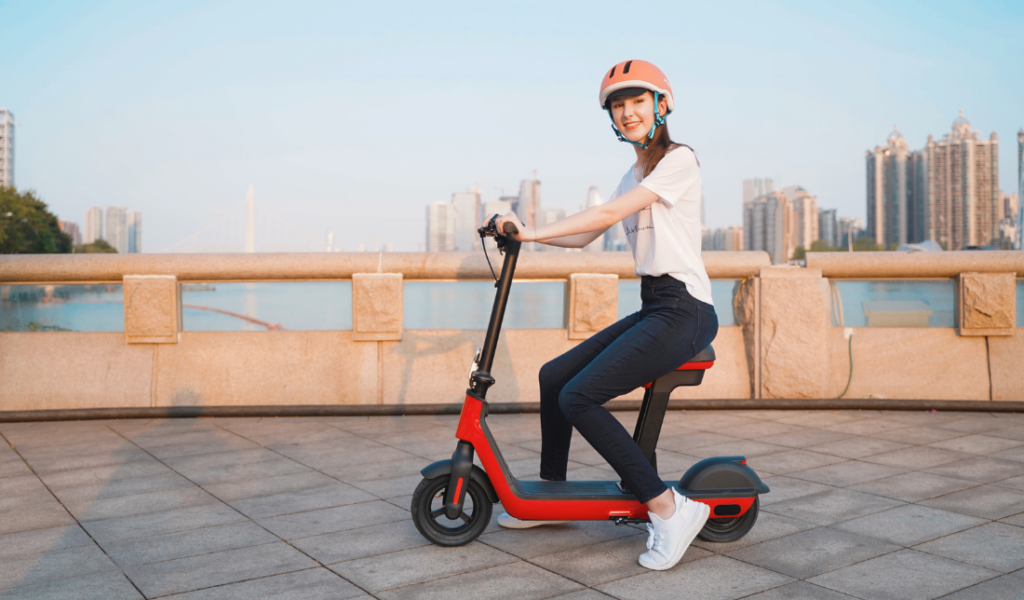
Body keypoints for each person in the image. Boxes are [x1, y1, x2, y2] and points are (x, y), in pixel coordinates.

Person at [485, 60, 718, 571]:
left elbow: (606, 216)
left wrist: (531, 232)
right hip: (657, 303)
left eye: (638, 101)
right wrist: (526, 235)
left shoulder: (679, 160)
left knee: (579, 396)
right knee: (555, 377)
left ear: (661, 105)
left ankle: (668, 509)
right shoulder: (632, 172)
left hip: (687, 310)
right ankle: (550, 496)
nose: (628, 111)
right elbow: (586, 235)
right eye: (619, 104)